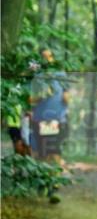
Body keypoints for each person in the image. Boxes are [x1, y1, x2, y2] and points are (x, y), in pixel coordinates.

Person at [29, 49, 71, 202]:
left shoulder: (61, 74)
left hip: (57, 120)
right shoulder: (36, 76)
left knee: (54, 153)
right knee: (42, 154)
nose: (47, 59)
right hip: (40, 120)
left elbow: (67, 95)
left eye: (50, 56)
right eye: (44, 57)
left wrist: (67, 99)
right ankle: (44, 182)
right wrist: (39, 97)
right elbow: (27, 100)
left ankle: (54, 186)